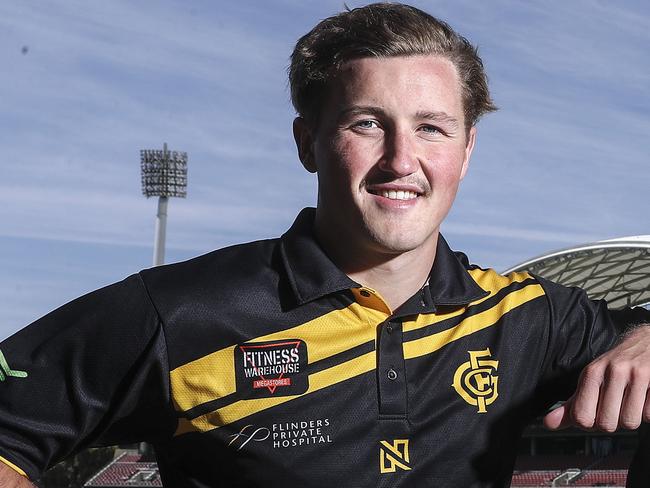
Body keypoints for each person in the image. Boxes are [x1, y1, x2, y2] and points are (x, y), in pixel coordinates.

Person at [1, 3, 649, 487]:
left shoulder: (530, 318)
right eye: (366, 123)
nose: (403, 159)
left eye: (432, 128)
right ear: (307, 141)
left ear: (467, 149)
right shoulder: (180, 312)